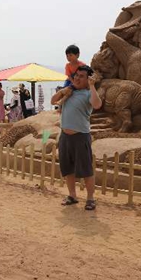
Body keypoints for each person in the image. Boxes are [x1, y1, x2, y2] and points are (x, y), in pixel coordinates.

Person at [51, 65, 102, 211]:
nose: (77, 78)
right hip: (65, 136)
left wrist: (92, 86)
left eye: (82, 76)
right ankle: (72, 196)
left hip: (81, 136)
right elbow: (53, 100)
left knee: (85, 169)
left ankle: (90, 199)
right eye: (76, 75)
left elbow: (97, 104)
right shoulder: (69, 92)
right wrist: (63, 91)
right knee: (68, 169)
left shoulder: (88, 94)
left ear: (88, 79)